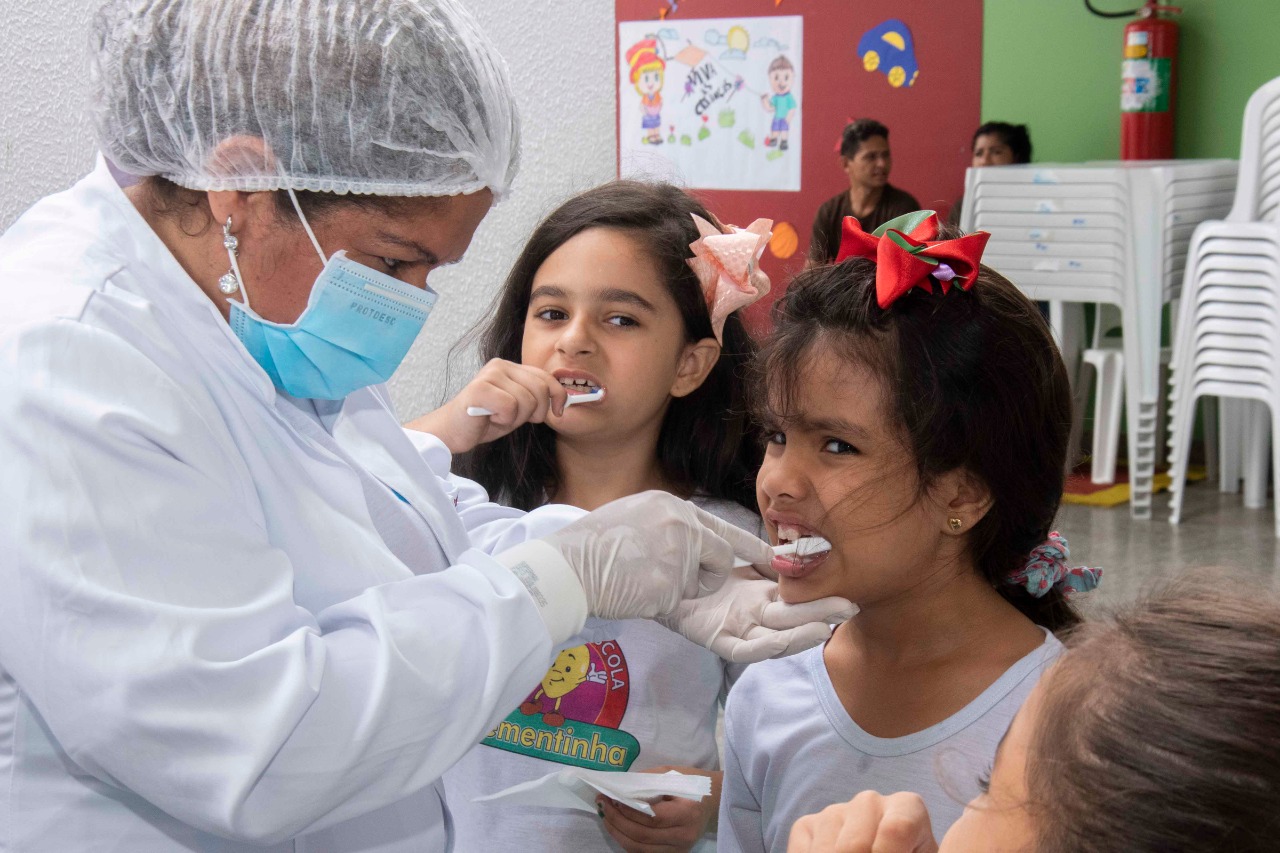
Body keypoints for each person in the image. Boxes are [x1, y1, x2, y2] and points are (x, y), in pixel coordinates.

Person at [0, 2, 853, 851]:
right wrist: (561, 576)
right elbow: (254, 745)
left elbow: (400, 530)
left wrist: (601, 551)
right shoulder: (71, 360)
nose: (405, 301)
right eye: (393, 260)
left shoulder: (250, 319)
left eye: (430, 269)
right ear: (242, 186)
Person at [414, 181, 795, 852]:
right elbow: (345, 508)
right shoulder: (463, 509)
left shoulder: (727, 539)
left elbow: (790, 743)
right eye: (552, 312)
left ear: (690, 363)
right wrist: (448, 429)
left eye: (621, 319)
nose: (576, 342)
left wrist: (708, 798)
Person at [718, 211, 1101, 852]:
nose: (779, 481)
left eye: (837, 446)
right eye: (778, 436)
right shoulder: (766, 700)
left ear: (962, 494)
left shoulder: (1065, 722)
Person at [786, 575, 1280, 852]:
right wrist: (702, 789)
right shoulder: (774, 684)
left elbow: (710, 790)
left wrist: (702, 788)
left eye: (987, 784)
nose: (776, 479)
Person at [809, 120, 919, 264]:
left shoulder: (905, 209)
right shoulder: (829, 212)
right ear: (846, 163)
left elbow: (909, 269)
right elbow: (812, 272)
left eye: (885, 155)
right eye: (871, 157)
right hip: (843, 287)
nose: (882, 164)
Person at [949, 121, 1033, 226]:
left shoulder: (1032, 201)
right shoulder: (962, 206)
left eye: (996, 152)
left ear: (1016, 157)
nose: (984, 161)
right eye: (978, 154)